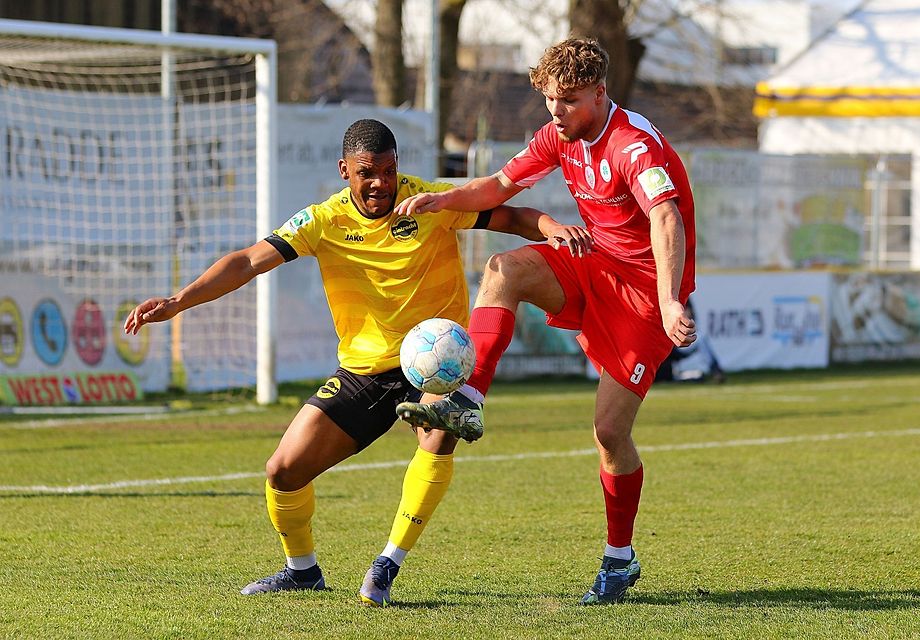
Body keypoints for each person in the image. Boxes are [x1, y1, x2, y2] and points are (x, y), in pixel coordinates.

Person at [123, 119, 584, 606]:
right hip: (364, 372)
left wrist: (554, 228)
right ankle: (302, 571)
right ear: (345, 170)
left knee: (439, 435)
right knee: (282, 470)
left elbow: (511, 218)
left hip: (437, 366)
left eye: (388, 171)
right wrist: (178, 300)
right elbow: (247, 262)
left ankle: (387, 565)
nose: (380, 184)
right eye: (367, 172)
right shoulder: (322, 220)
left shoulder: (431, 203)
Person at [393, 38, 698, 605]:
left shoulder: (634, 145)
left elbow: (665, 218)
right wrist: (443, 199)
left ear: (600, 93)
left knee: (610, 435)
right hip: (591, 266)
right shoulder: (558, 134)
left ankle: (619, 558)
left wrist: (673, 300)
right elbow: (500, 187)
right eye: (550, 100)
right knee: (504, 268)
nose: (556, 112)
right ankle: (469, 397)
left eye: (569, 100)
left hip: (645, 299)